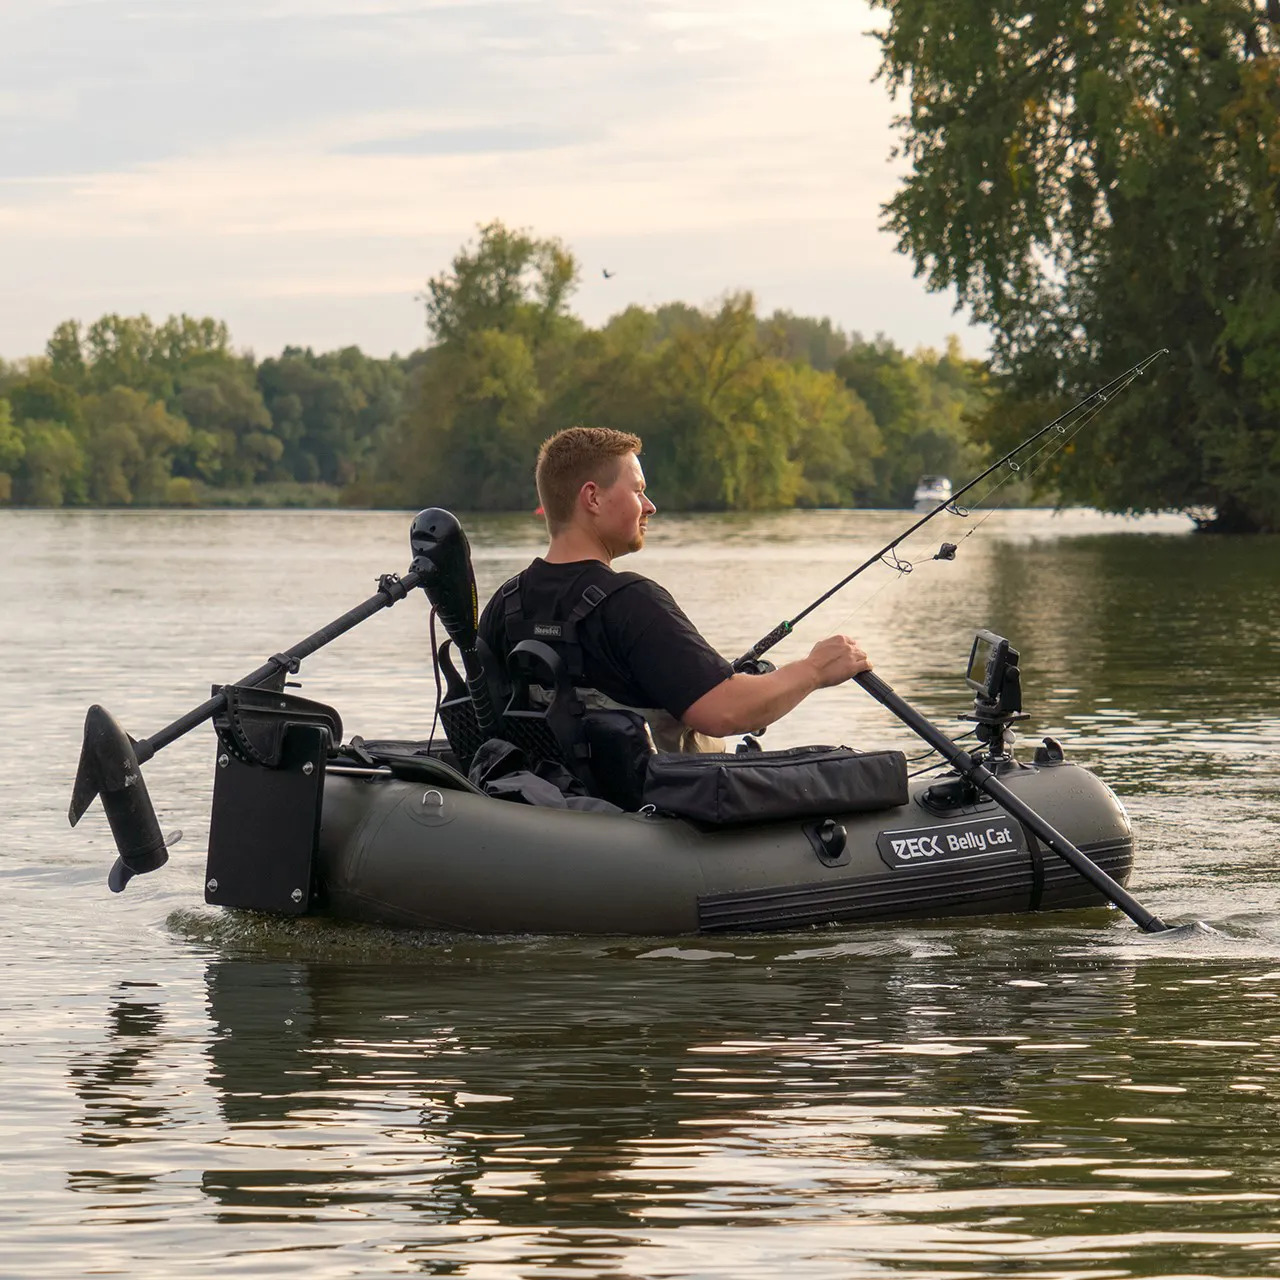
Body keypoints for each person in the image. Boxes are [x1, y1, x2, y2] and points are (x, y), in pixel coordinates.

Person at [477, 426, 872, 756]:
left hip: (551, 801)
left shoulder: (506, 604)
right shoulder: (631, 602)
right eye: (638, 491)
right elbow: (724, 712)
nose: (649, 506)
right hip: (648, 813)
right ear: (593, 498)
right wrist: (815, 669)